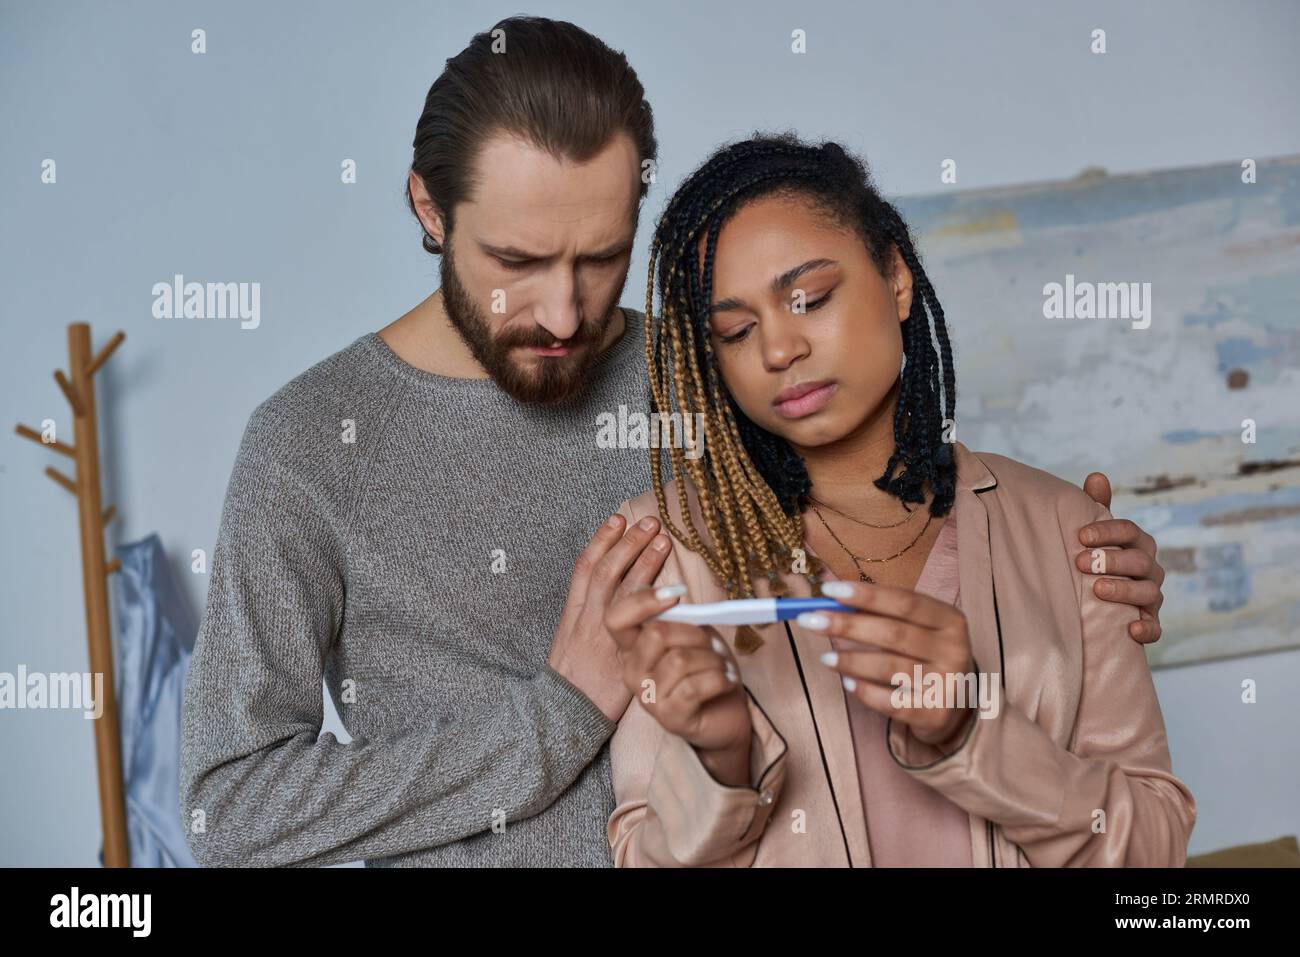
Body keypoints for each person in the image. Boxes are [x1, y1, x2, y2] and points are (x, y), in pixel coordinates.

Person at [180, 17, 1170, 868]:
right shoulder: (309, 445)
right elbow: (226, 807)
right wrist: (554, 716)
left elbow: (906, 515)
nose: (564, 313)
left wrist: (1079, 570)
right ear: (429, 209)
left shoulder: (709, 370)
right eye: (517, 262)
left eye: (600, 258)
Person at [603, 133, 1194, 867]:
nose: (779, 349)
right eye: (737, 330)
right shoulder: (668, 546)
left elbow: (1155, 850)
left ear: (896, 277)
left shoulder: (1068, 528)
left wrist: (970, 730)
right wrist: (722, 761)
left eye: (810, 298)